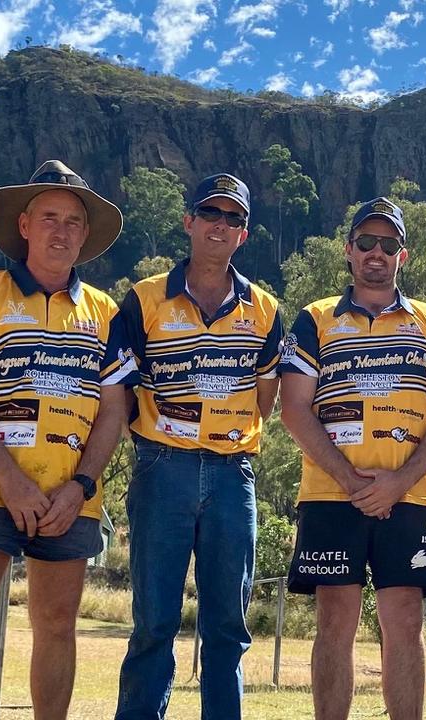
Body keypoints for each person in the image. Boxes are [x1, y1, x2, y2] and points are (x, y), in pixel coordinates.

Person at [0, 160, 136, 719]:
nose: (59, 231)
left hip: (71, 497)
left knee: (58, 628)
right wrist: (10, 480)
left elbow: (116, 409)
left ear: (85, 236)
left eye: (72, 222)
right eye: (48, 218)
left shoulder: (107, 311)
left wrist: (81, 486)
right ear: (24, 225)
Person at [280, 197, 426, 720]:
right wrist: (351, 480)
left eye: (388, 245)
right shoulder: (315, 319)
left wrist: (399, 482)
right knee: (334, 621)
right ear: (349, 251)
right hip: (330, 496)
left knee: (405, 620)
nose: (376, 253)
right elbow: (293, 410)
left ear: (402, 256)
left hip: (408, 498)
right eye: (367, 243)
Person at [114, 173, 284, 720]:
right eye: (210, 213)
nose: (220, 224)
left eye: (233, 218)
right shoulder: (142, 299)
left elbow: (266, 400)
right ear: (188, 222)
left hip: (234, 475)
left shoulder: (265, 309)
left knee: (228, 630)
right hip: (162, 468)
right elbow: (119, 390)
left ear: (245, 234)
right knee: (153, 624)